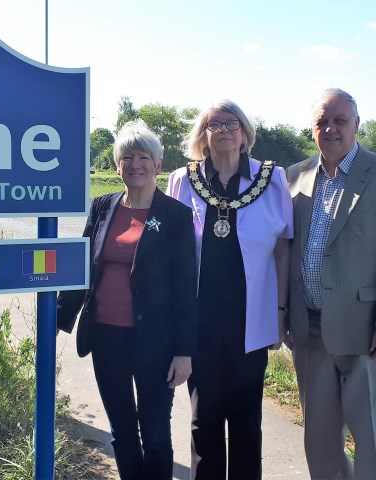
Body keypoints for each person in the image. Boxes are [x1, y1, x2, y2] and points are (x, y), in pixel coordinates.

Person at [57, 119, 198, 479]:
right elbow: (83, 267)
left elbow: (185, 287)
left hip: (156, 342)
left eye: (143, 157)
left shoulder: (176, 216)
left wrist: (184, 352)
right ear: (118, 164)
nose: (135, 164)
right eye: (127, 157)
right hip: (106, 336)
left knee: (154, 433)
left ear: (158, 165)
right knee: (122, 429)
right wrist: (57, 317)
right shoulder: (102, 206)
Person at [166, 99, 293, 480]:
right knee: (203, 421)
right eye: (214, 124)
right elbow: (172, 257)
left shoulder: (272, 179)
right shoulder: (182, 180)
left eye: (231, 123)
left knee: (246, 421)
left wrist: (281, 312)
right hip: (199, 322)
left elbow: (284, 249)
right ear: (203, 136)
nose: (223, 130)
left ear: (245, 133)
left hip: (250, 323)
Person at [286, 88, 376, 479]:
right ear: (312, 129)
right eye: (323, 121)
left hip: (366, 331)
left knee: (371, 438)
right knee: (320, 444)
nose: (331, 128)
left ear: (357, 124)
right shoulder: (295, 176)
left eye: (340, 120)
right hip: (310, 331)